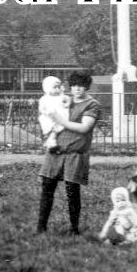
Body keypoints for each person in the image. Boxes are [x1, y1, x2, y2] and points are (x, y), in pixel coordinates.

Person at [36, 69, 102, 235]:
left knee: (72, 190)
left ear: (86, 87)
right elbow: (47, 110)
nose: (76, 89)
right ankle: (41, 227)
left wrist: (61, 121)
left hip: (75, 153)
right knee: (47, 187)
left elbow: (84, 127)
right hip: (56, 151)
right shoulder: (64, 100)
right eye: (73, 86)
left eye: (80, 86)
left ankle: (74, 229)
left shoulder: (92, 104)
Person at [38, 76, 70, 153]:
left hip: (60, 115)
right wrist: (47, 113)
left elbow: (68, 100)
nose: (57, 89)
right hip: (48, 116)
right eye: (54, 87)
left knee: (58, 126)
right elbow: (41, 109)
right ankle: (51, 141)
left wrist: (67, 104)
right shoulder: (44, 98)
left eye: (59, 87)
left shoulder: (62, 97)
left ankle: (51, 142)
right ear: (47, 88)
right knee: (50, 125)